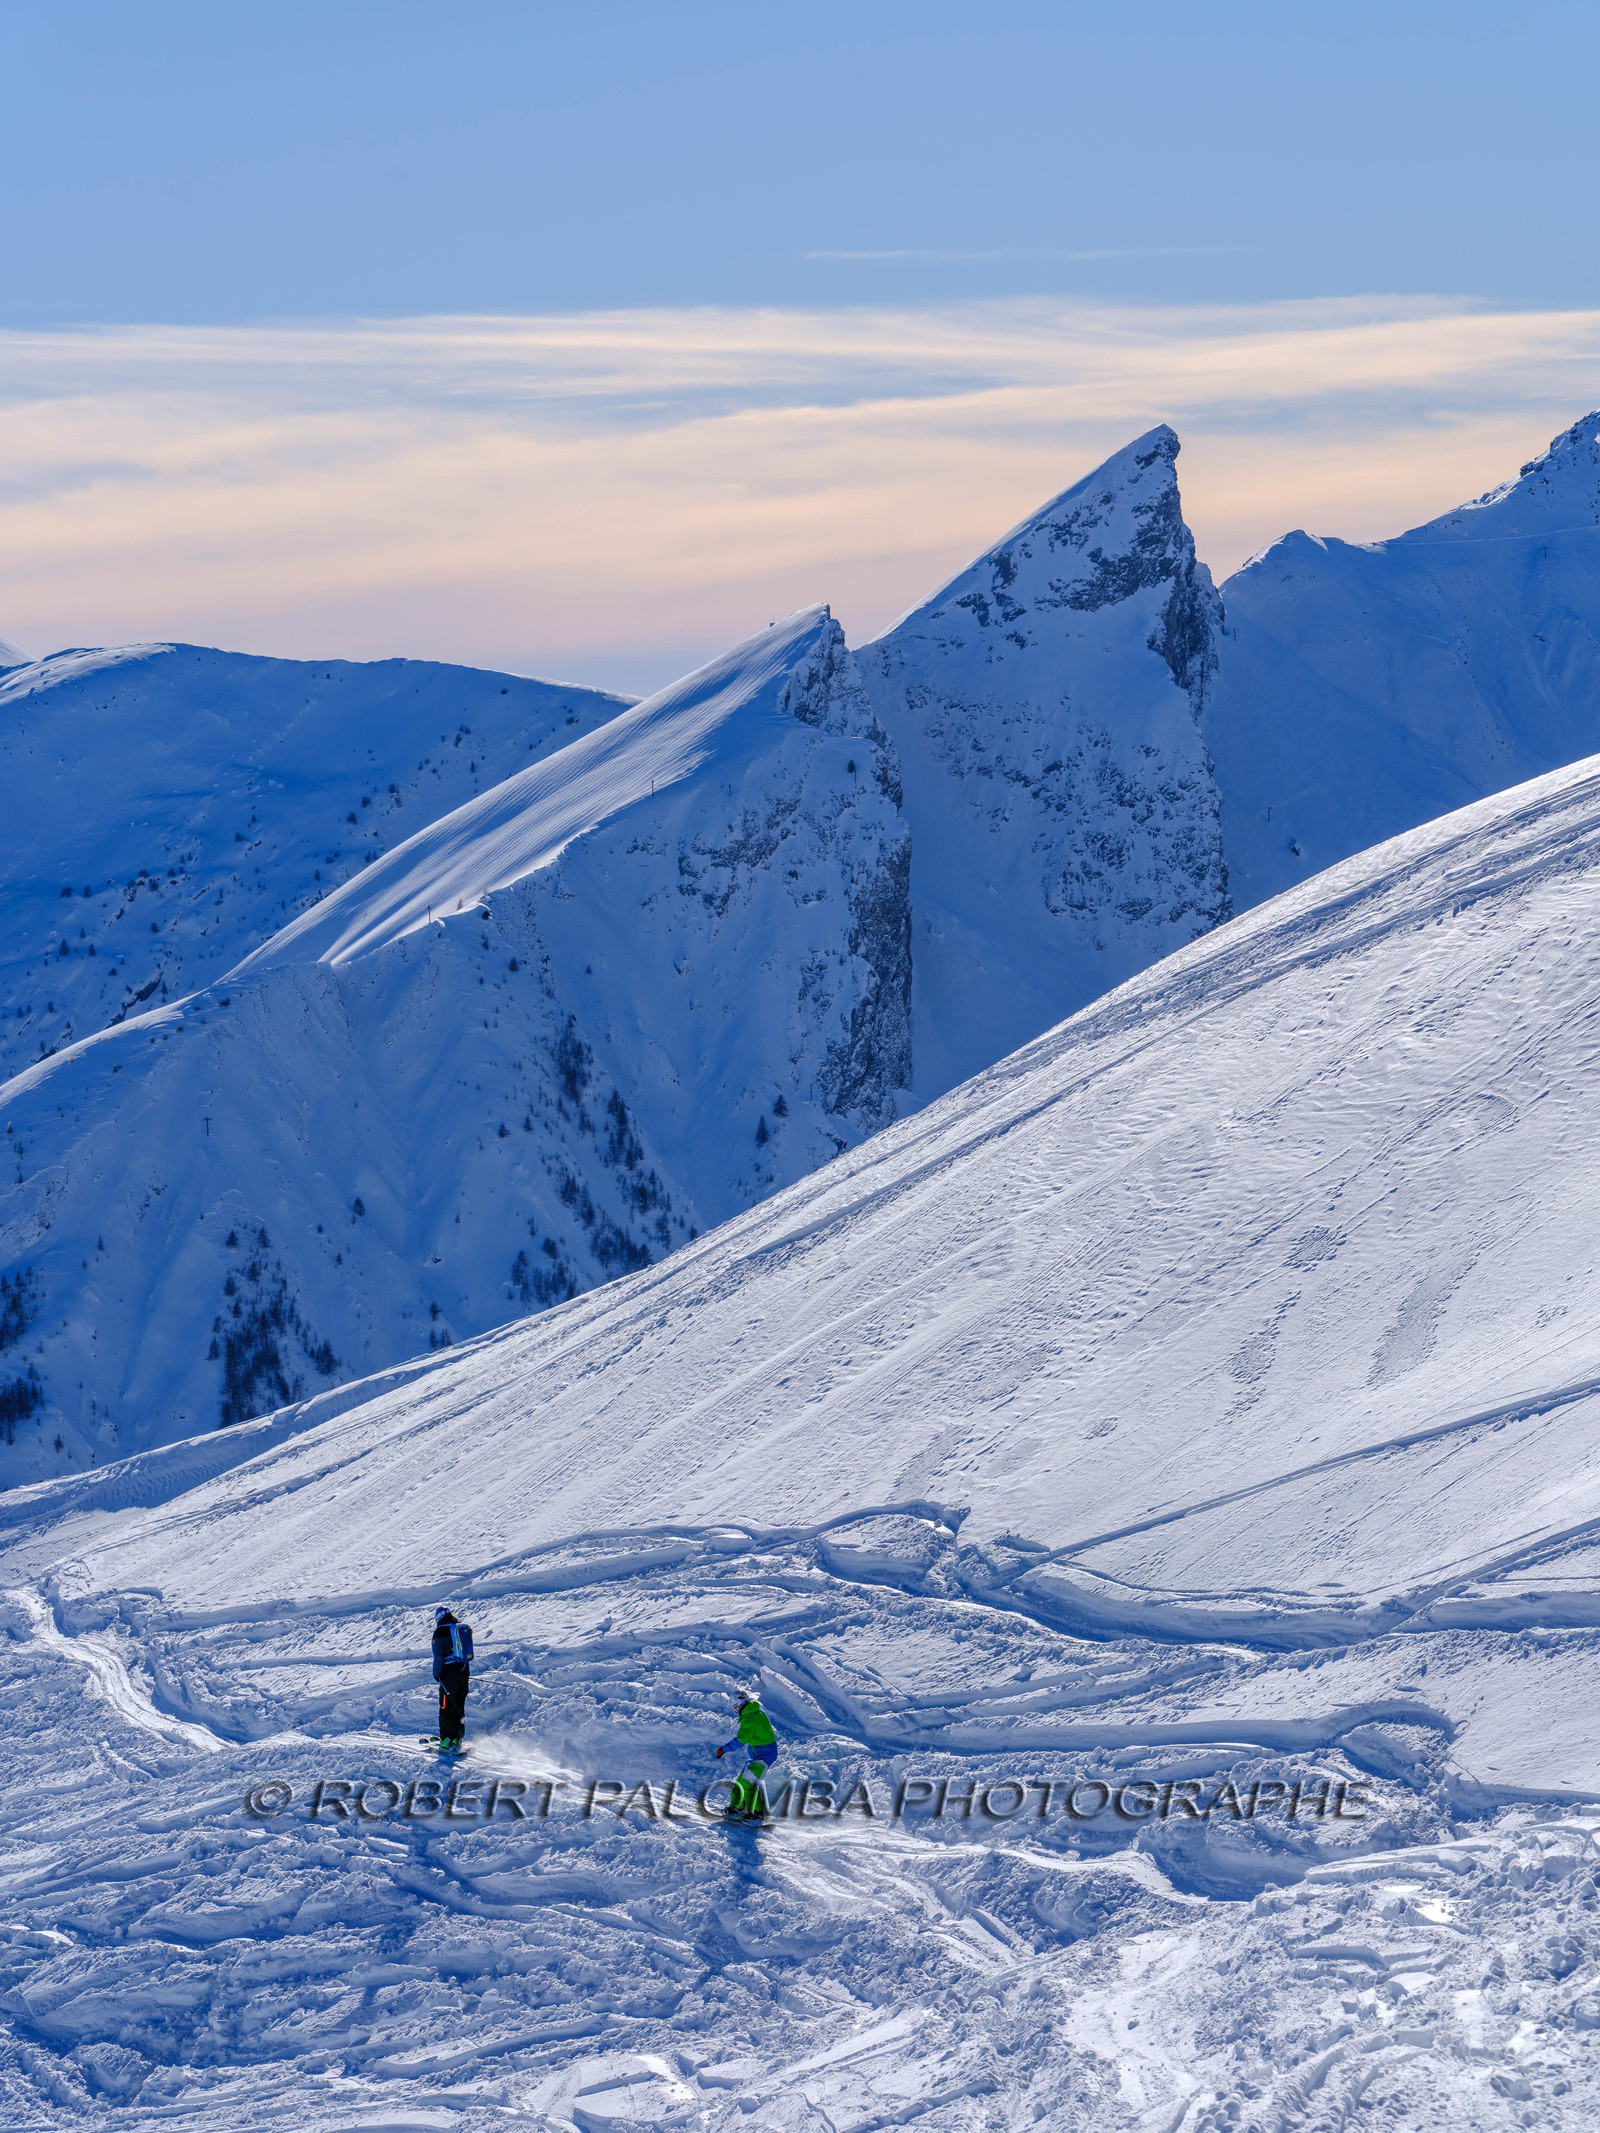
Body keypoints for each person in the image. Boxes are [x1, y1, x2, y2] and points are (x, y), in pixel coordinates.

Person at [715, 1693, 777, 1817]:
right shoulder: (756, 1711)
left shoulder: (750, 1717)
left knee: (749, 1784)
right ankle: (736, 1809)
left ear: (736, 1706)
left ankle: (756, 1815)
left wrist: (723, 1749)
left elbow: (741, 1739)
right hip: (757, 1756)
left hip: (763, 1757)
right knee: (740, 1783)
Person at [431, 1605, 474, 1749]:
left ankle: (446, 1740)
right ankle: (457, 1739)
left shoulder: (440, 1632)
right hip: (463, 1673)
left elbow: (439, 1656)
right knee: (459, 1706)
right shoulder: (457, 1629)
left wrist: (436, 1674)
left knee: (446, 1706)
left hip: (448, 1675)